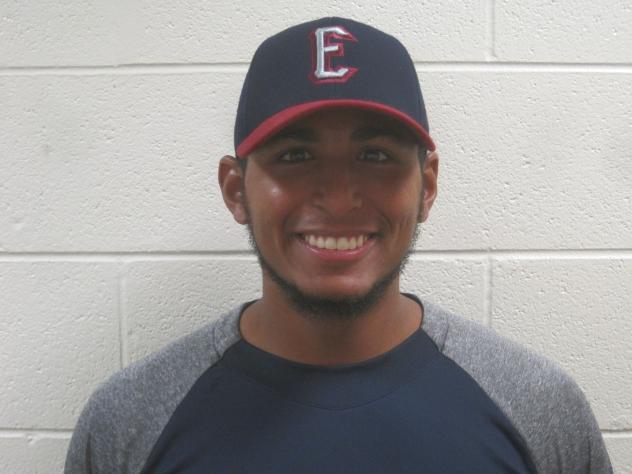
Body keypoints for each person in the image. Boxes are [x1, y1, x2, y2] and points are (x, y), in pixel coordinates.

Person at [65, 17, 612, 473]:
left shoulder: (538, 409)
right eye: (295, 156)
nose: (339, 196)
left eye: (375, 156)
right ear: (236, 190)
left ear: (427, 187)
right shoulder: (130, 421)